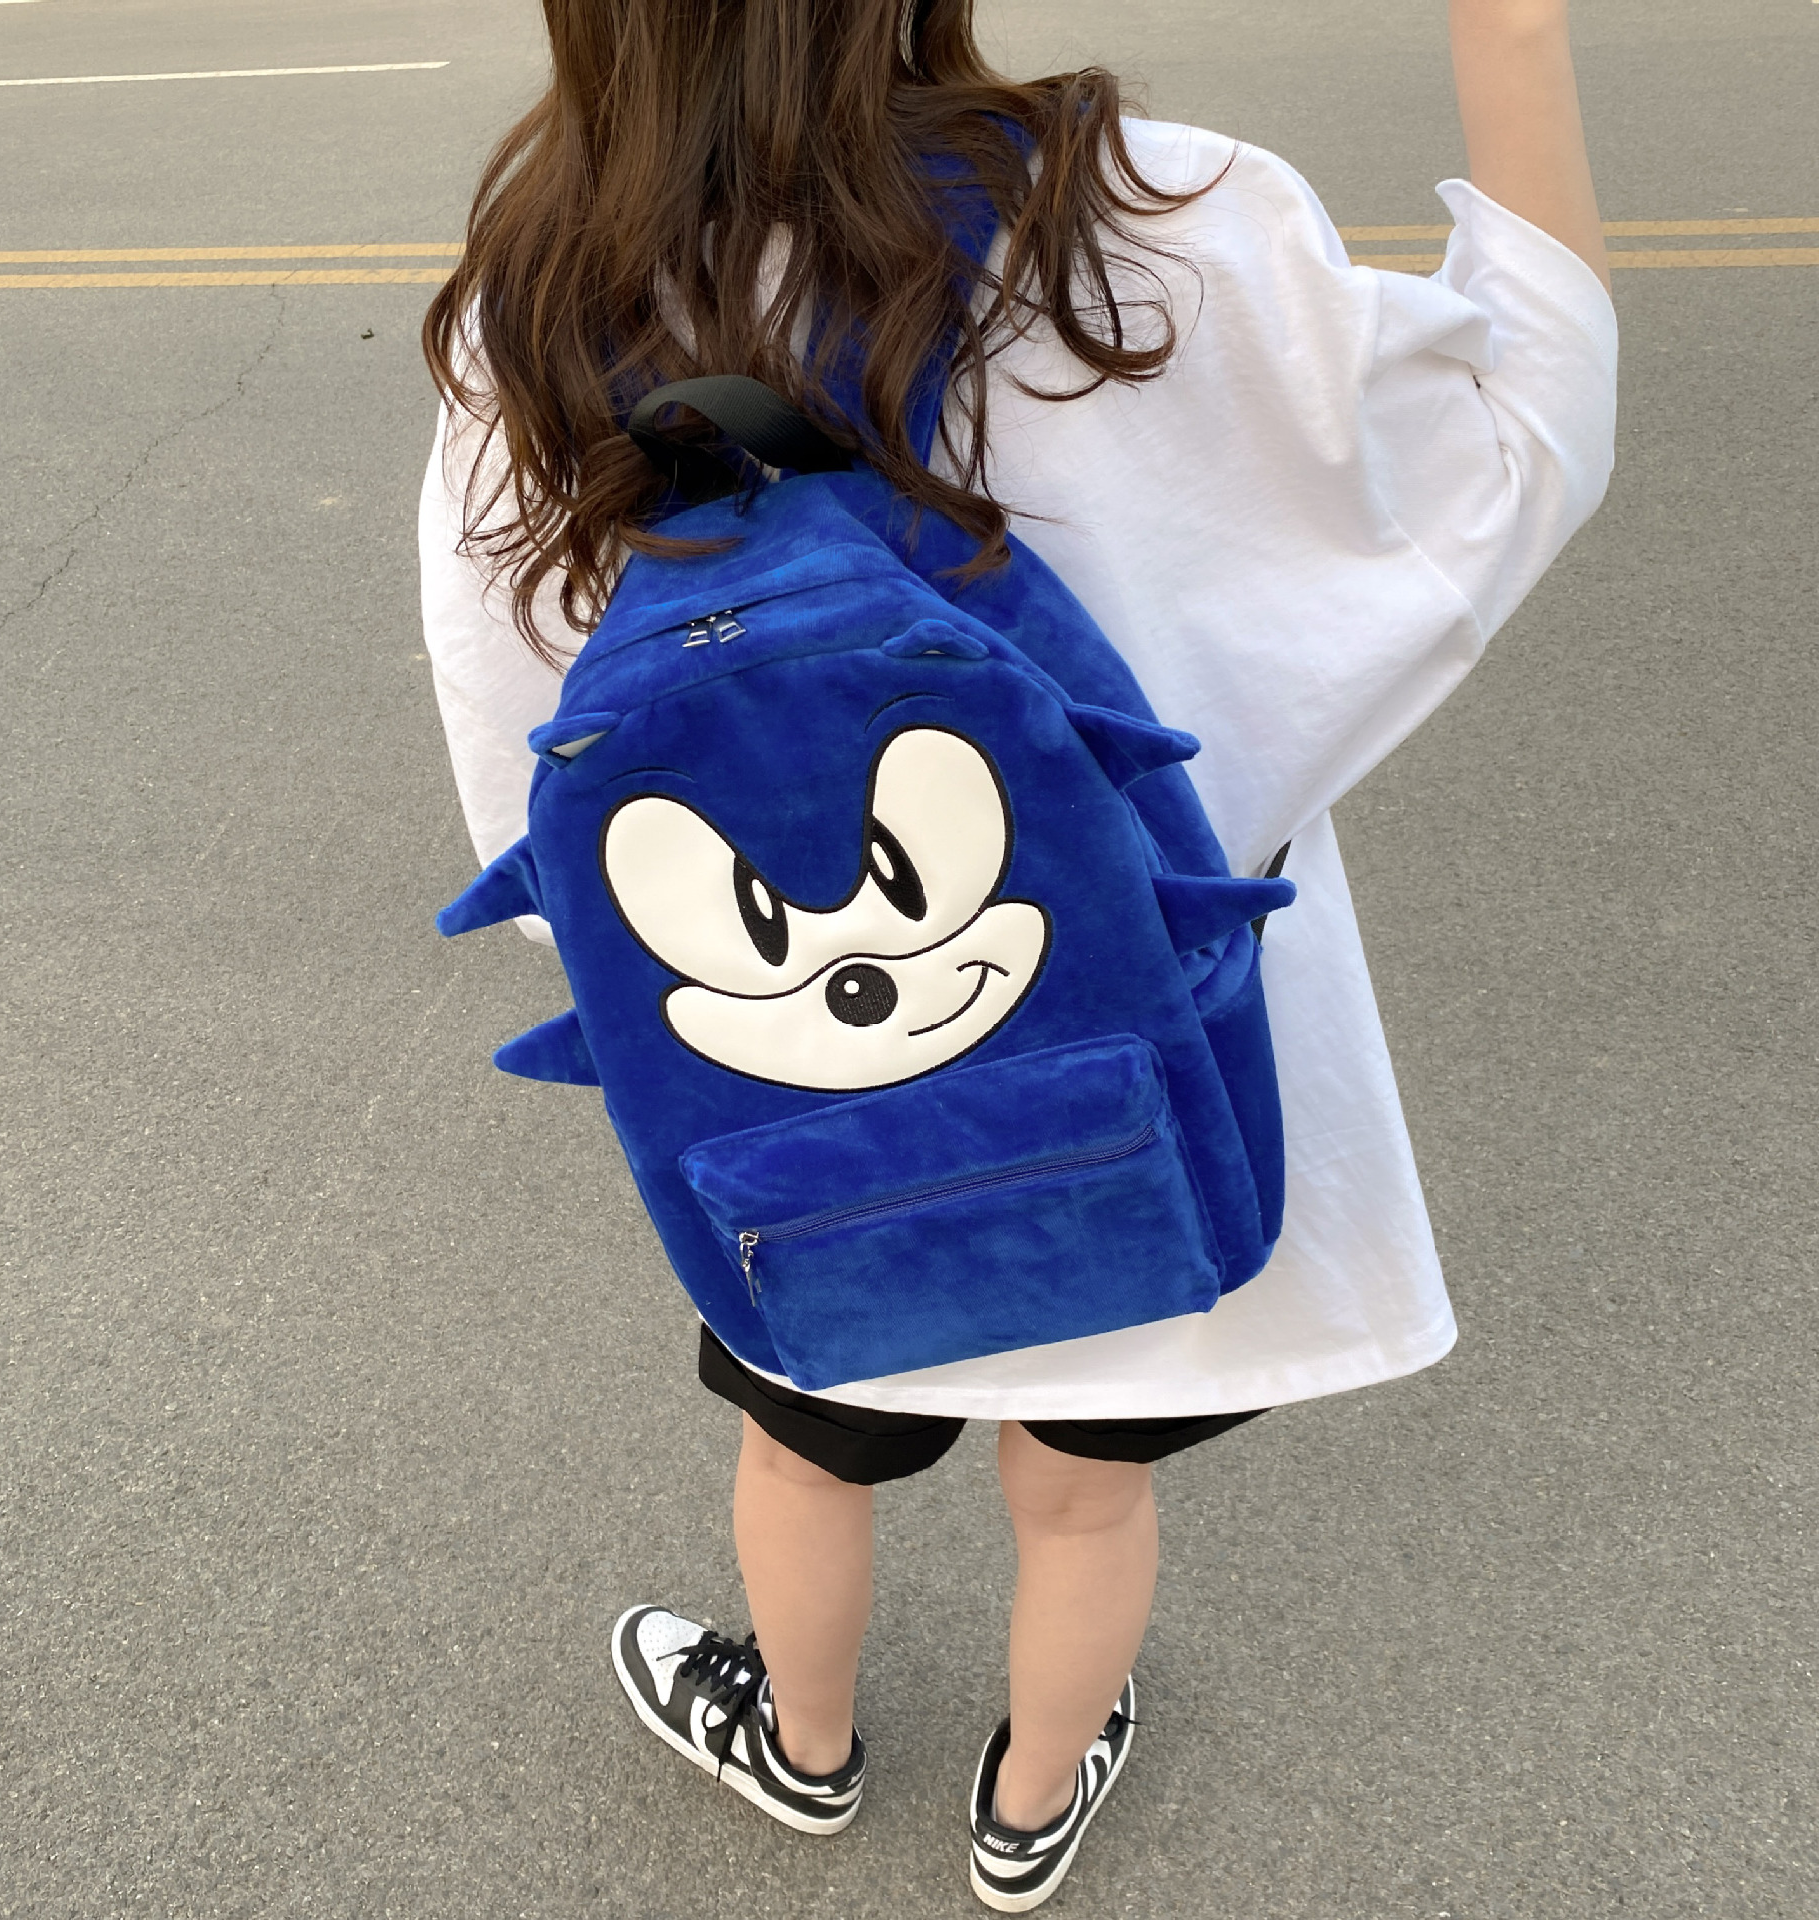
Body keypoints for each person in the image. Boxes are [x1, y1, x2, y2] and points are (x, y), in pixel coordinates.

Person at [418, 0, 1614, 1907]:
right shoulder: (1145, 218)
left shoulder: (552, 292)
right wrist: (1517, 28)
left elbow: (527, 761)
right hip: (1145, 1053)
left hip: (809, 1103)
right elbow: (1520, 432)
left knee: (807, 1451)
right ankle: (1031, 1802)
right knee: (1085, 1482)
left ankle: (805, 1746)